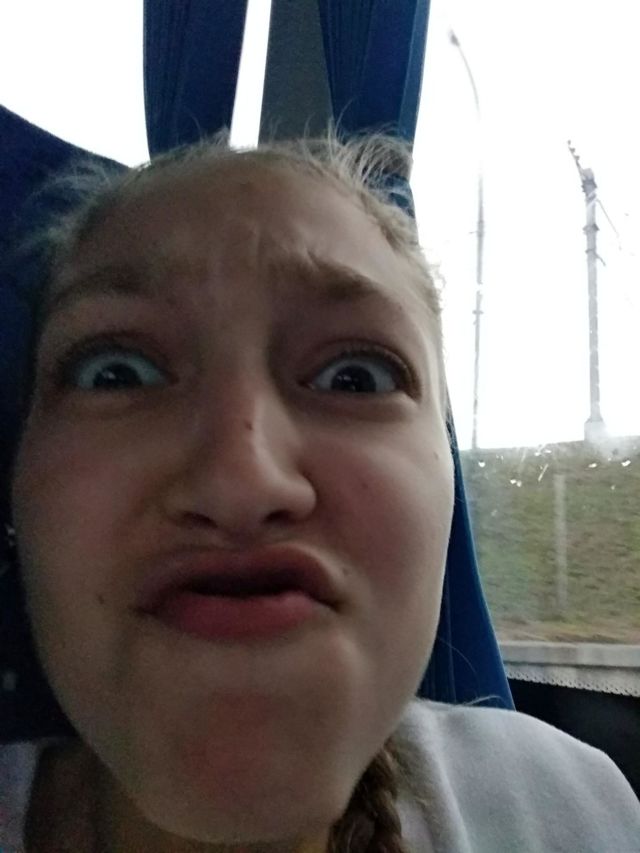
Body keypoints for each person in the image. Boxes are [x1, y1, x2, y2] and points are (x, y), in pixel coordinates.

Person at [1, 132, 639, 853]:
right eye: (116, 373)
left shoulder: (572, 806)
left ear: (448, 493)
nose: (242, 482)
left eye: (355, 378)